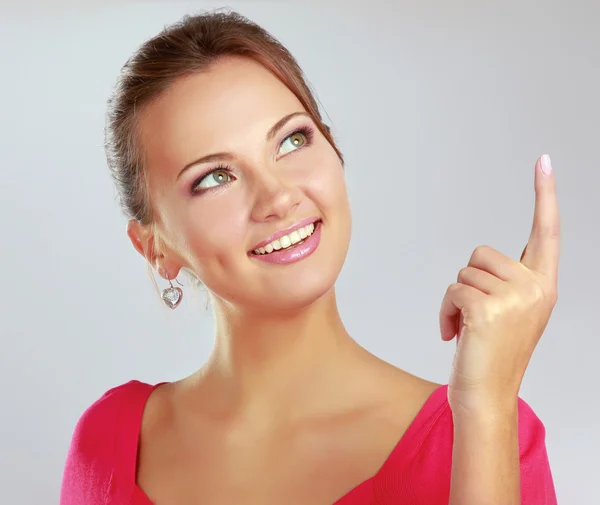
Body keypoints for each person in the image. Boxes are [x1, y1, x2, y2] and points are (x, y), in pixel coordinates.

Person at [59, 9, 560, 505]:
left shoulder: (492, 432)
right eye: (214, 177)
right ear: (155, 247)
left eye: (292, 140)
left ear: (333, 148)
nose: (277, 197)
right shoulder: (107, 445)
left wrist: (486, 408)